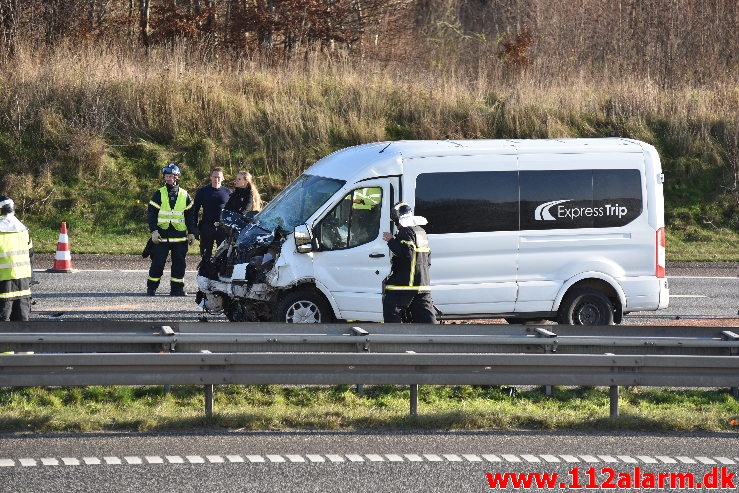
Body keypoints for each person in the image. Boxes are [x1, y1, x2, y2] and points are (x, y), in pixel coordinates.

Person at [146, 163, 197, 296]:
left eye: (170, 176)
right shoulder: (159, 193)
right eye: (166, 176)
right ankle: (151, 288)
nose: (168, 179)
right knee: (157, 263)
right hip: (161, 236)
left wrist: (192, 232)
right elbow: (151, 213)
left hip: (179, 237)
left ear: (177, 177)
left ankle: (177, 289)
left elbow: (190, 216)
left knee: (179, 265)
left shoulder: (185, 195)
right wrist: (154, 231)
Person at [382, 201, 437, 323]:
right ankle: (434, 339)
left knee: (391, 310)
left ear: (397, 219)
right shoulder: (421, 232)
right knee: (425, 317)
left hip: (405, 284)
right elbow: (428, 260)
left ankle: (395, 339)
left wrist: (391, 240)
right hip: (422, 283)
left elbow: (408, 253)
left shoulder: (406, 231)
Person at [0, 195, 33, 321]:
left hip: (2, 289)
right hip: (23, 288)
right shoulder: (23, 230)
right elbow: (31, 258)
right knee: (22, 332)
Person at [193, 167, 232, 260]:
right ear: (211, 177)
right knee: (205, 254)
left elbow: (232, 212)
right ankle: (205, 273)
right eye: (214, 177)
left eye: (219, 177)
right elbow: (195, 210)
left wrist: (231, 228)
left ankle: (220, 273)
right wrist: (194, 228)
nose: (216, 179)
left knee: (223, 255)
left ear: (223, 178)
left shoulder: (228, 192)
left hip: (223, 228)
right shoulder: (202, 192)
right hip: (207, 227)